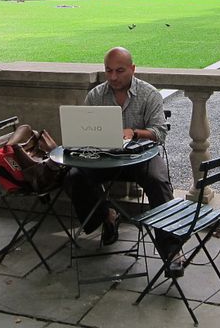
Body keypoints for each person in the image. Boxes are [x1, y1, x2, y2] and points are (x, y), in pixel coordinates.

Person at [66, 47, 183, 276]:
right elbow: (82, 130)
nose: (113, 77)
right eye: (108, 71)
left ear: (132, 69)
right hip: (104, 159)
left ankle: (172, 250)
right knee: (73, 177)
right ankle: (106, 216)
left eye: (119, 71)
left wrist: (134, 133)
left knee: (158, 181)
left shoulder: (149, 94)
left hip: (141, 157)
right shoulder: (96, 95)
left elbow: (160, 133)